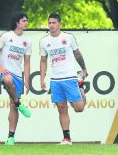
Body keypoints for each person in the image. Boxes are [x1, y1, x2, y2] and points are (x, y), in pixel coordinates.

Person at [39, 13, 88, 145]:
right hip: (55, 80)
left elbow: (77, 54)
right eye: (49, 23)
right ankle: (66, 138)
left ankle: (80, 87)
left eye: (54, 23)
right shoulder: (44, 41)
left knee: (79, 108)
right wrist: (42, 78)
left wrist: (83, 69)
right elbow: (43, 60)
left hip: (70, 77)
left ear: (59, 23)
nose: (51, 25)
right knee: (61, 108)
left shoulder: (68, 37)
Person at [0, 12, 32, 145]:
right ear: (17, 22)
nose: (26, 22)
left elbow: (26, 62)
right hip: (4, 72)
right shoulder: (6, 36)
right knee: (7, 80)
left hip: (18, 75)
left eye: (27, 20)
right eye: (24, 20)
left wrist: (27, 80)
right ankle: (20, 104)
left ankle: (11, 137)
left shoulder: (28, 41)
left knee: (13, 106)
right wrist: (1, 68)